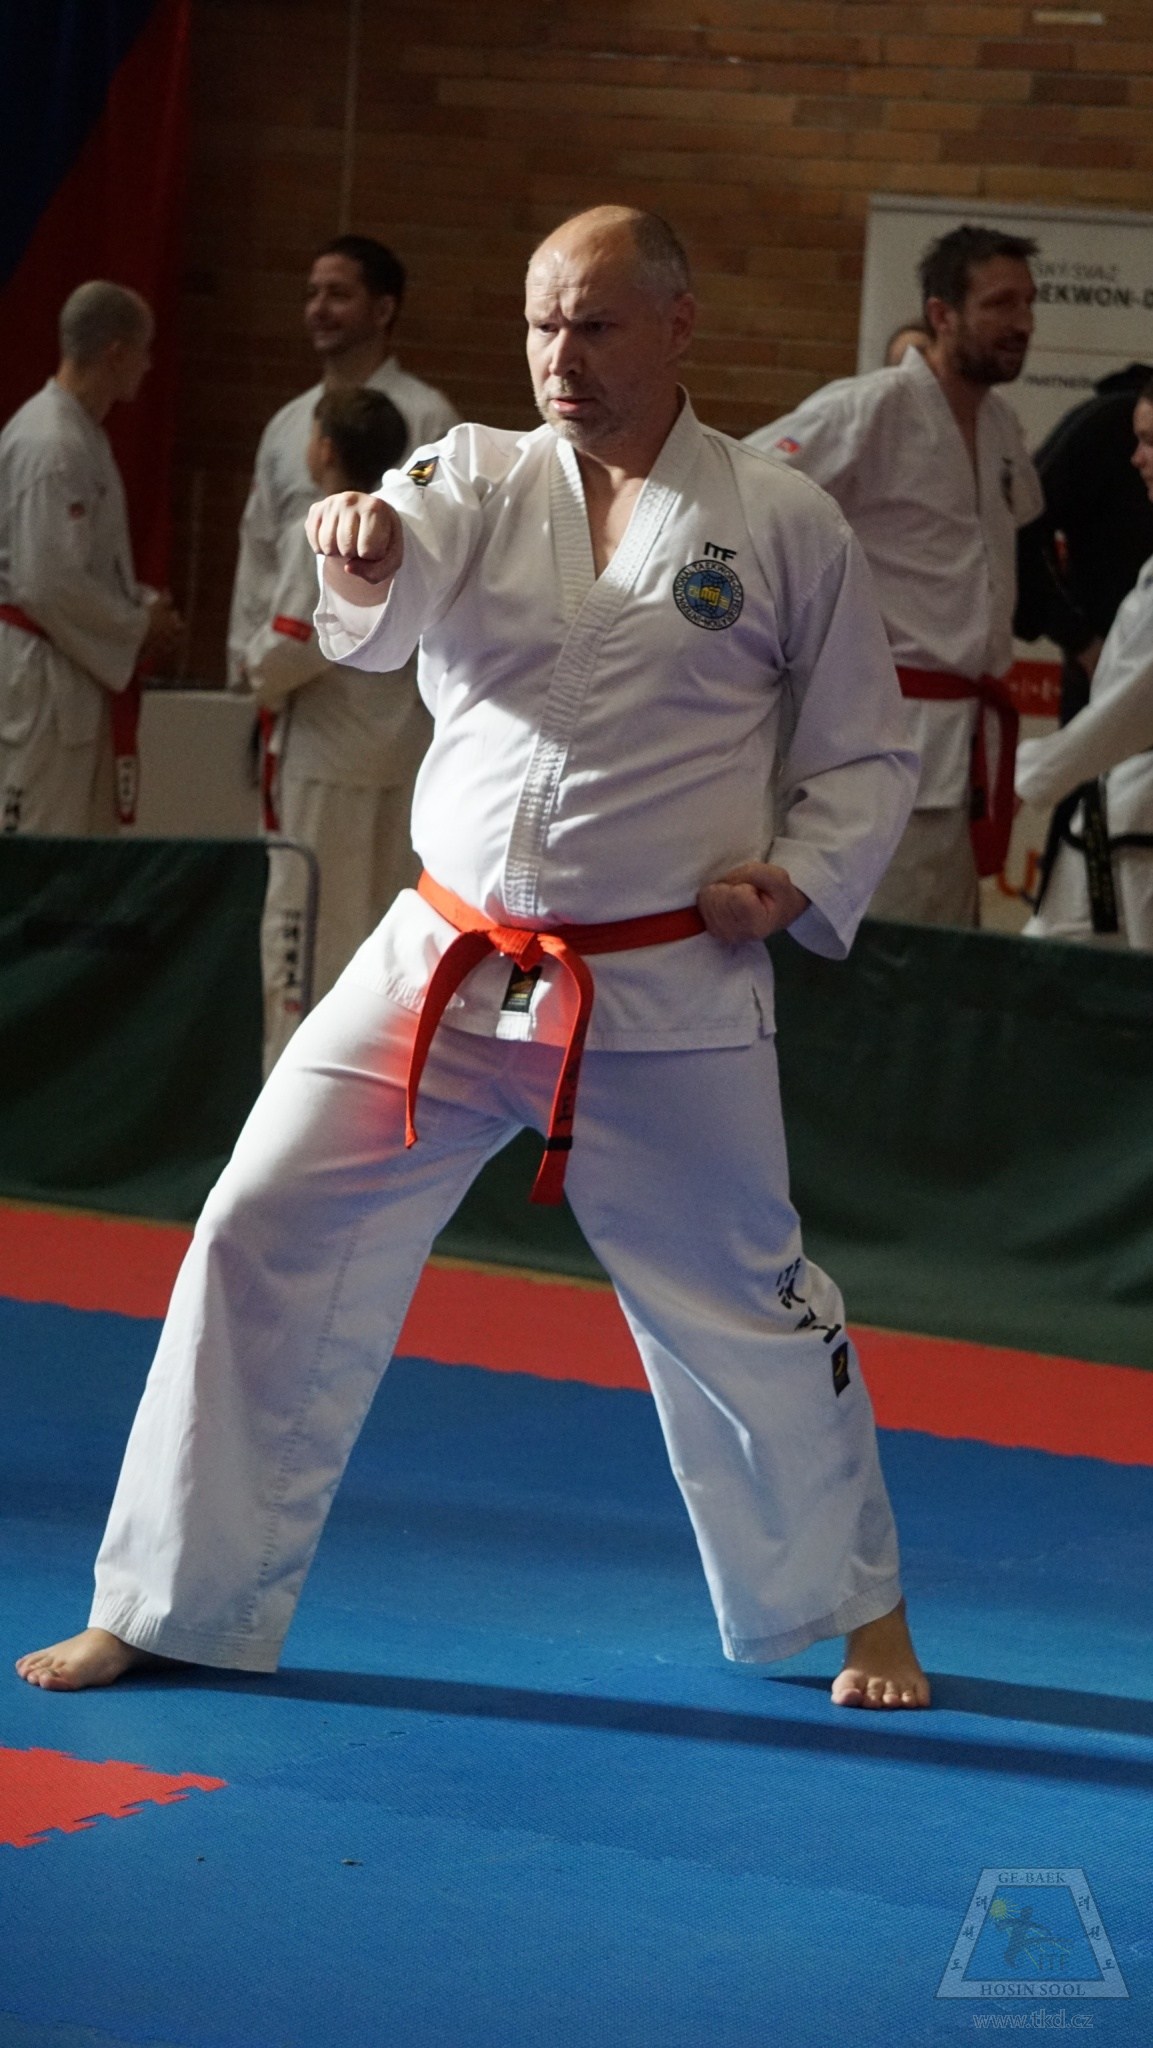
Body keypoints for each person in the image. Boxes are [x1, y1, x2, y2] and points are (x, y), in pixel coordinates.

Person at [17, 206, 929, 1709]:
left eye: (596, 325)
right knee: (254, 1223)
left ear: (679, 325)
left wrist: (800, 878)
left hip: (661, 985)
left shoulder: (778, 522)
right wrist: (361, 551)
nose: (560, 357)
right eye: (540, 325)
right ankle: (167, 1595)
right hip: (438, 964)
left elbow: (863, 753)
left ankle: (858, 1605)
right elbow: (379, 609)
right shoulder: (471, 475)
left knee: (746, 1300)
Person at [747, 224, 1091, 927]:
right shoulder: (869, 408)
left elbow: (1020, 556)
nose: (1022, 323)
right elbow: (743, 499)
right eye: (999, 304)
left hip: (964, 737)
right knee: (878, 943)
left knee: (945, 941)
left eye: (1028, 303)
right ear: (942, 314)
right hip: (880, 727)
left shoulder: (1000, 426)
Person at [249, 385, 431, 1066]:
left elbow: (292, 645)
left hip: (328, 765)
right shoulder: (412, 528)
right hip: (398, 757)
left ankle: (289, 1091)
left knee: (303, 943)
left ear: (323, 449)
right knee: (381, 945)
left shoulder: (329, 528)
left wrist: (251, 670)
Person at [227, 235, 458, 688]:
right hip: (279, 668)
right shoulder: (289, 424)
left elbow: (438, 552)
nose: (318, 309)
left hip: (379, 683)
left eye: (338, 294)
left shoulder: (429, 419)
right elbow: (259, 547)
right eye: (312, 293)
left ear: (383, 310)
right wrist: (245, 659)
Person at [0, 282, 181, 834]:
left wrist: (141, 605)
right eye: (144, 351)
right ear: (116, 353)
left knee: (78, 841)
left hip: (68, 667)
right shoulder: (50, 442)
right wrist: (138, 625)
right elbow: (45, 582)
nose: (148, 365)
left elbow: (84, 565)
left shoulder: (81, 434)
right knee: (37, 842)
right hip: (39, 677)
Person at [1016, 382, 1153, 949]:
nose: (1136, 457)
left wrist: (1037, 774)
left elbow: (1134, 708)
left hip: (1138, 814)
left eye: (1150, 441)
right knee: (1052, 958)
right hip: (1111, 810)